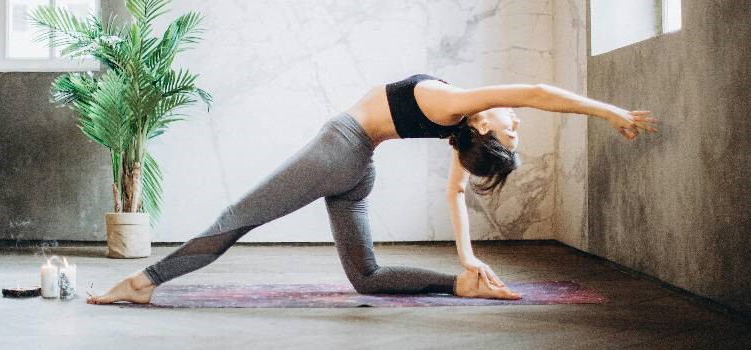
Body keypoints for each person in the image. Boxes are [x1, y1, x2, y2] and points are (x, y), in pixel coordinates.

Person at [86, 74, 658, 304]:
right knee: (367, 278)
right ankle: (461, 288)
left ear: (484, 126)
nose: (517, 121)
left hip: (343, 150)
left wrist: (608, 112)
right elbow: (460, 187)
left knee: (240, 217)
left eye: (512, 129)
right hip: (356, 163)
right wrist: (469, 260)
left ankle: (142, 282)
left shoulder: (463, 115)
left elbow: (530, 95)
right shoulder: (461, 115)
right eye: (514, 128)